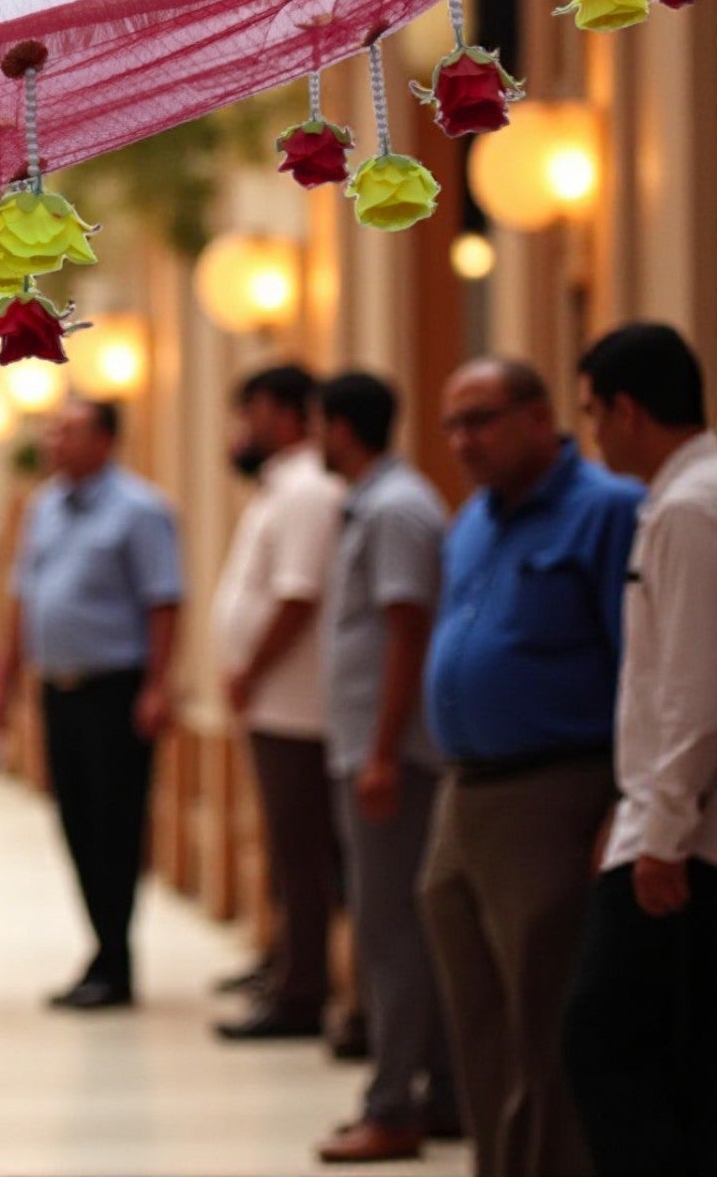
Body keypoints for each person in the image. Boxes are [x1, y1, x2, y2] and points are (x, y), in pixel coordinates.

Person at [419, 358, 642, 1177]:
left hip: (554, 789)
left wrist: (625, 801)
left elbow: (640, 666)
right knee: (478, 1019)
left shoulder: (608, 510)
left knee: (546, 1020)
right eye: (451, 424)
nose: (462, 441)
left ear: (540, 417)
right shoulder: (471, 521)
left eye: (479, 419)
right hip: (465, 792)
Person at [563, 324, 717, 1175]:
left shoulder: (692, 508)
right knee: (674, 1051)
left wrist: (659, 834)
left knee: (604, 1041)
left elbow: (692, 687)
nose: (592, 434)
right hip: (671, 820)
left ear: (627, 409)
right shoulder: (685, 497)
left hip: (686, 835)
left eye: (592, 413)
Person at [312, 374, 457, 1164]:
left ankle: (394, 1103)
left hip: (390, 755)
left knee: (389, 930)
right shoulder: (373, 504)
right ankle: (439, 1092)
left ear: (341, 428)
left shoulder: (396, 508)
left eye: (319, 425)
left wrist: (380, 753)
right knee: (396, 926)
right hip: (371, 748)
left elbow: (409, 630)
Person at [3, 398, 183, 1011]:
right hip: (59, 690)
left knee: (116, 824)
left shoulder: (140, 510)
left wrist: (158, 685)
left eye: (69, 432)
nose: (54, 442)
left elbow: (164, 600)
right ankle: (101, 950)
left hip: (117, 690)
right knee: (76, 822)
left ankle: (116, 959)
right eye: (52, 431)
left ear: (105, 440)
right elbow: (24, 597)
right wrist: (8, 684)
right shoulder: (44, 506)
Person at [209, 365, 345, 1043]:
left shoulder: (309, 492)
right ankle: (284, 964)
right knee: (288, 850)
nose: (243, 428)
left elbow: (298, 596)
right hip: (276, 705)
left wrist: (250, 670)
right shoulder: (280, 489)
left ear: (291, 415)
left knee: (304, 855)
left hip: (298, 705)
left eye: (253, 412)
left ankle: (303, 991)